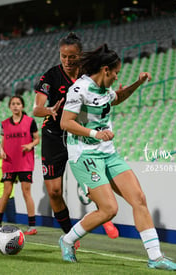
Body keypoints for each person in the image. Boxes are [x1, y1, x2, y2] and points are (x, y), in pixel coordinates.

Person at [58, 44, 176, 271]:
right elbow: (65, 123)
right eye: (116, 72)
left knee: (139, 198)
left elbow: (115, 98)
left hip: (108, 153)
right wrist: (96, 133)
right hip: (84, 155)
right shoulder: (79, 89)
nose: (117, 77)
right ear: (105, 69)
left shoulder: (105, 89)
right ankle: (67, 240)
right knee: (109, 209)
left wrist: (137, 84)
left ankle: (155, 257)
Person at [33, 32, 119, 239]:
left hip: (81, 137)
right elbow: (36, 109)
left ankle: (104, 214)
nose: (67, 61)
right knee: (54, 191)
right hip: (54, 136)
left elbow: (104, 94)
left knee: (94, 183)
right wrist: (50, 110)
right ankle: (69, 236)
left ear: (80, 55)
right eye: (63, 56)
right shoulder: (51, 76)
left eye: (72, 56)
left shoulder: (89, 74)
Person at [0, 95, 39, 235]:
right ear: (9, 107)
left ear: (22, 106)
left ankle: (31, 226)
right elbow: (3, 141)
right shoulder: (4, 123)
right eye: (13, 104)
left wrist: (30, 145)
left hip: (25, 161)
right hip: (9, 162)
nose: (15, 106)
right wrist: (1, 150)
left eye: (18, 103)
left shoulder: (30, 122)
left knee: (26, 192)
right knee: (6, 192)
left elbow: (37, 139)